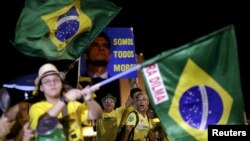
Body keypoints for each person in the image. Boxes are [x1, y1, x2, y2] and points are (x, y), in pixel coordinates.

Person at [29, 63, 103, 141]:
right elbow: (42, 123)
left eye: (56, 80)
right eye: (47, 81)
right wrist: (65, 99)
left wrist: (89, 100)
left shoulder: (74, 105)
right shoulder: (36, 108)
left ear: (61, 84)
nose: (52, 83)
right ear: (41, 88)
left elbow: (96, 115)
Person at [79, 32, 121, 108]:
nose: (101, 48)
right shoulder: (78, 83)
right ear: (85, 54)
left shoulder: (118, 84)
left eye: (105, 46)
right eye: (95, 45)